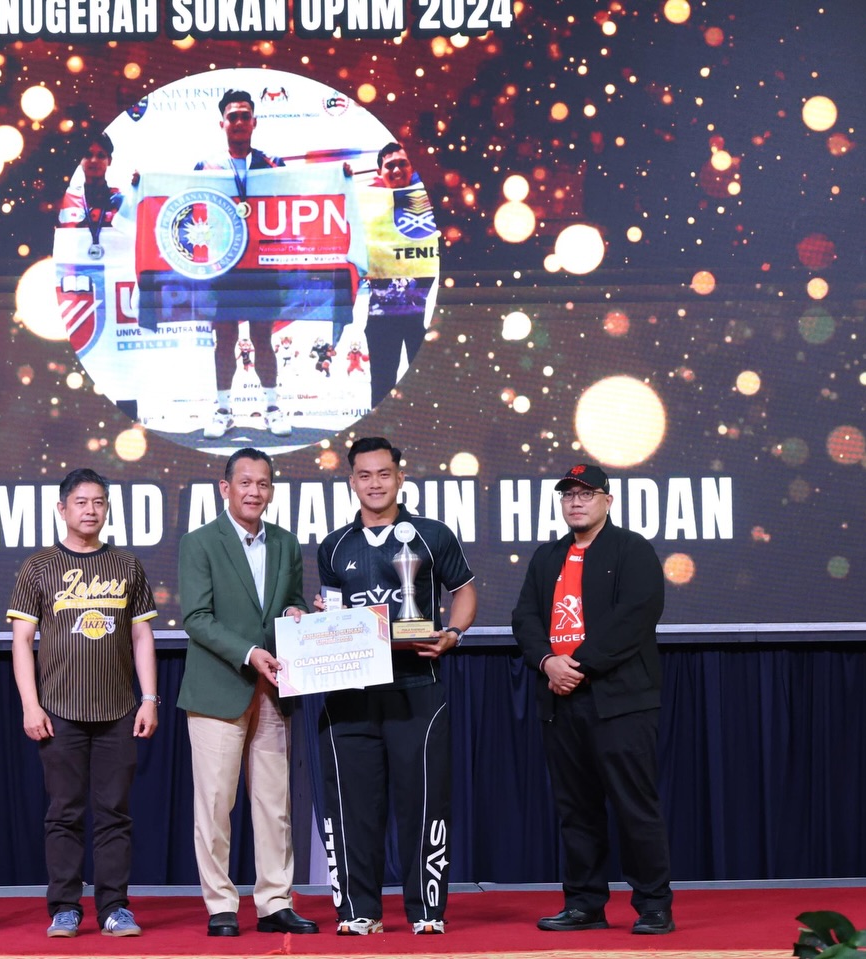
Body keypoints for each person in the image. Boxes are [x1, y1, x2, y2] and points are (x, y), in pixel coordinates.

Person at [314, 437, 476, 936]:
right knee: (352, 809)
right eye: (364, 475)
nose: (375, 483)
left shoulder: (431, 534)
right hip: (350, 696)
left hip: (417, 687)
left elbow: (464, 592)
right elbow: (332, 612)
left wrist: (453, 633)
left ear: (400, 477)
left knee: (424, 803)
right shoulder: (334, 546)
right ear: (352, 481)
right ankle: (358, 911)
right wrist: (317, 621)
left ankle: (426, 911)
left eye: (384, 473)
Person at [510, 463, 675, 936]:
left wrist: (576, 666)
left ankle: (654, 906)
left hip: (619, 701)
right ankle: (584, 904)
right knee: (576, 809)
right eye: (569, 495)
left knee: (634, 805)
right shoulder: (547, 556)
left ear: (608, 501)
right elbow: (525, 618)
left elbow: (636, 616)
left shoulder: (632, 550)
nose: (576, 502)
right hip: (560, 701)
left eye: (586, 494)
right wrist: (547, 662)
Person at [7, 468, 159, 939]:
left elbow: (142, 636)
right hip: (58, 711)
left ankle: (114, 908)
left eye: (98, 502)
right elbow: (21, 641)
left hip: (118, 710)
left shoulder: (127, 565)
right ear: (62, 509)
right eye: (81, 502)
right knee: (64, 813)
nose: (90, 510)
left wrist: (149, 699)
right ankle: (65, 908)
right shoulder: (38, 567)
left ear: (107, 508)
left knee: (115, 814)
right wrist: (30, 705)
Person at [177, 448, 318, 939]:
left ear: (271, 490)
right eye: (245, 483)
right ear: (225, 488)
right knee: (216, 804)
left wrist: (299, 614)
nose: (254, 492)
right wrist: (250, 652)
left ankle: (275, 902)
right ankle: (220, 905)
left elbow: (291, 602)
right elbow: (196, 618)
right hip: (218, 690)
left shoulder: (286, 542)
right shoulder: (199, 543)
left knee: (275, 805)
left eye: (263, 483)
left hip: (273, 689)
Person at [194, 89, 291, 440]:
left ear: (254, 122)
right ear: (222, 123)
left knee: (262, 338)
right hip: (224, 268)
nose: (238, 121)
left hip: (263, 266)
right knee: (225, 339)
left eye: (244, 115)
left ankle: (272, 408)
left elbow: (300, 197)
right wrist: (141, 185)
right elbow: (183, 204)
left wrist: (341, 176)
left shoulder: (274, 163)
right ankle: (223, 411)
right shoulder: (205, 167)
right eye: (232, 116)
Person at [364, 143, 432, 411]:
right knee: (382, 389)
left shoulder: (432, 205)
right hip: (382, 318)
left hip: (425, 316)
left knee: (429, 391)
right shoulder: (368, 209)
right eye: (389, 165)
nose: (396, 170)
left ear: (412, 168)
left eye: (402, 163)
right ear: (379, 173)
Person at [57, 132, 125, 232]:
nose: (94, 160)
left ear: (109, 160)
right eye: (88, 155)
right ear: (79, 160)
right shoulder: (65, 199)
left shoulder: (122, 201)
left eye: (101, 155)